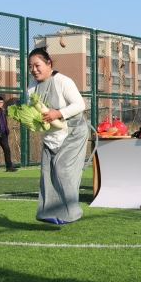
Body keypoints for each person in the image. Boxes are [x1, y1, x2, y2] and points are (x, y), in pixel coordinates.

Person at [27, 47, 88, 224]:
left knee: (62, 169)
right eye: (30, 67)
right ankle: (48, 213)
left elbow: (79, 105)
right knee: (47, 173)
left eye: (37, 65)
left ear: (48, 63)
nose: (34, 70)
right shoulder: (31, 88)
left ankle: (72, 212)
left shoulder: (63, 81)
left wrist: (58, 113)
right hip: (51, 137)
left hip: (73, 134)